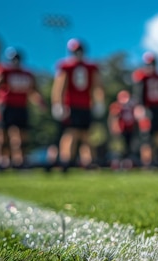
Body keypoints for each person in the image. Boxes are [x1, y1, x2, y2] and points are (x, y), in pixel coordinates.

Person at [0, 47, 45, 170]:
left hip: (21, 107)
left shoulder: (27, 74)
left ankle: (19, 161)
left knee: (22, 136)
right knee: (2, 135)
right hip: (7, 107)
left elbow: (33, 90)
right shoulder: (3, 71)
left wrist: (39, 101)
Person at [51, 38, 105, 173]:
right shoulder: (66, 66)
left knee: (86, 135)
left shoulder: (91, 67)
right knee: (71, 133)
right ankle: (66, 161)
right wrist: (58, 104)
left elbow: (97, 86)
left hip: (86, 106)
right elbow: (59, 87)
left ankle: (89, 162)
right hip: (71, 106)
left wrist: (99, 102)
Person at [132, 52, 158, 169]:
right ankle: (148, 162)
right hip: (148, 109)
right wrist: (140, 108)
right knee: (147, 138)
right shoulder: (144, 77)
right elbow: (139, 94)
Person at [108, 90, 138, 170]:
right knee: (118, 148)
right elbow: (114, 117)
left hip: (130, 129)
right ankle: (117, 163)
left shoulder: (132, 106)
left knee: (128, 147)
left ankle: (126, 163)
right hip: (121, 130)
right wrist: (115, 128)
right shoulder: (116, 106)